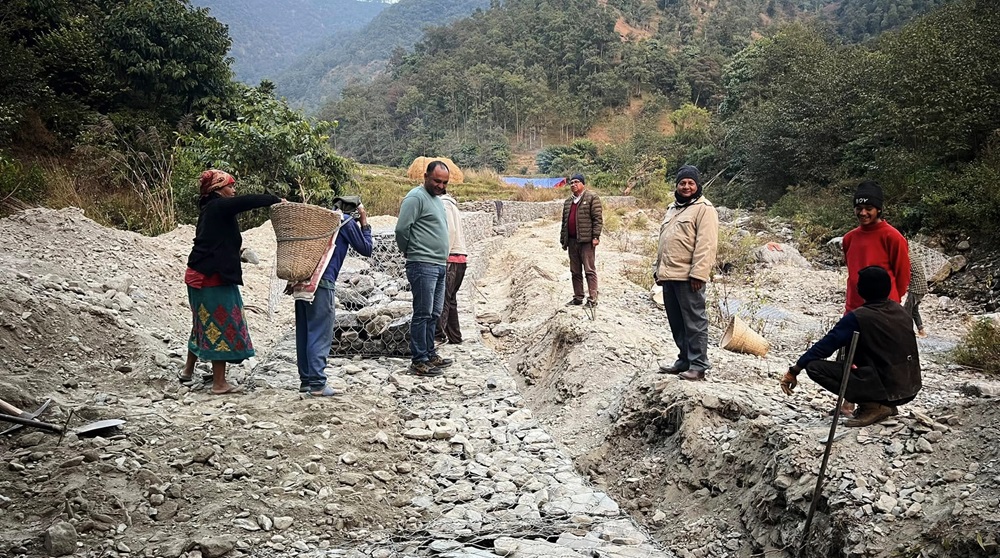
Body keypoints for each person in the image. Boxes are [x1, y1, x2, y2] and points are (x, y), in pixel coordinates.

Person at [179, 170, 282, 395]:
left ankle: (187, 371)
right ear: (218, 189)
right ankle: (219, 383)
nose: (234, 191)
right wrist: (274, 200)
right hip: (210, 279)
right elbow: (245, 202)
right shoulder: (217, 206)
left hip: (199, 275)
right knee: (221, 323)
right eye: (230, 186)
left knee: (201, 323)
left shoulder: (210, 208)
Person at [780, 266, 922, 427]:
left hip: (887, 388)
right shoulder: (901, 311)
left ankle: (873, 406)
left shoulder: (858, 317)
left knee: (814, 367)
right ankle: (884, 405)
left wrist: (795, 369)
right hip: (909, 387)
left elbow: (825, 347)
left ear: (861, 290)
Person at [294, 197, 373, 397]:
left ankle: (306, 381)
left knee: (304, 331)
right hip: (323, 282)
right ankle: (319, 384)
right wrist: (364, 220)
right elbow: (366, 248)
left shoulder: (321, 221)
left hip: (302, 281)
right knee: (320, 332)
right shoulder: (344, 221)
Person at [655, 165, 719, 381]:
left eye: (691, 183)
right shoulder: (673, 208)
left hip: (688, 276)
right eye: (683, 183)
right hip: (669, 274)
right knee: (677, 321)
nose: (686, 186)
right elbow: (665, 241)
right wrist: (658, 271)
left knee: (694, 321)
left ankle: (699, 365)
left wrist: (699, 274)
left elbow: (706, 244)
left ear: (697, 185)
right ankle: (684, 360)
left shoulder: (704, 209)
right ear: (677, 185)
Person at [395, 161, 454, 376]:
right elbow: (402, 229)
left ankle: (429, 353)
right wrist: (408, 250)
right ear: (426, 175)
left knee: (434, 312)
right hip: (422, 263)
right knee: (422, 312)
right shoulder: (416, 197)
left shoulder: (437, 200)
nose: (440, 185)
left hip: (438, 264)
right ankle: (419, 360)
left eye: (444, 182)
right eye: (437, 180)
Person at [843, 180, 910, 313]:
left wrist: (892, 302)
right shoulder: (849, 238)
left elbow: (903, 274)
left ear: (878, 209)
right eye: (859, 208)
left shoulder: (892, 237)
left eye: (868, 208)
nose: (863, 213)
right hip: (854, 308)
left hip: (884, 309)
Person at [559, 174, 603, 307]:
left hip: (586, 241)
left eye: (576, 182)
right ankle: (578, 297)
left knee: (589, 270)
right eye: (571, 183)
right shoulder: (568, 202)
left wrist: (595, 236)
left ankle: (592, 299)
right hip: (572, 241)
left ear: (583, 184)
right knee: (575, 271)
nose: (573, 184)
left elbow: (597, 219)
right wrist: (563, 240)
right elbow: (564, 223)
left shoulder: (591, 197)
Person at [435, 190, 467, 345]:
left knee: (442, 299)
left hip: (450, 259)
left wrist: (442, 255)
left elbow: (450, 231)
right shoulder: (453, 205)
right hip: (460, 259)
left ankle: (437, 336)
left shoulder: (444, 204)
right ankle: (455, 337)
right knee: (451, 299)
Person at [905, 243, 929, 338]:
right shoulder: (913, 256)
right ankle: (921, 331)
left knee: (906, 310)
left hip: (916, 288)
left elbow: (905, 273)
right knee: (914, 311)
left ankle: (907, 332)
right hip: (922, 287)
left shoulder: (907, 257)